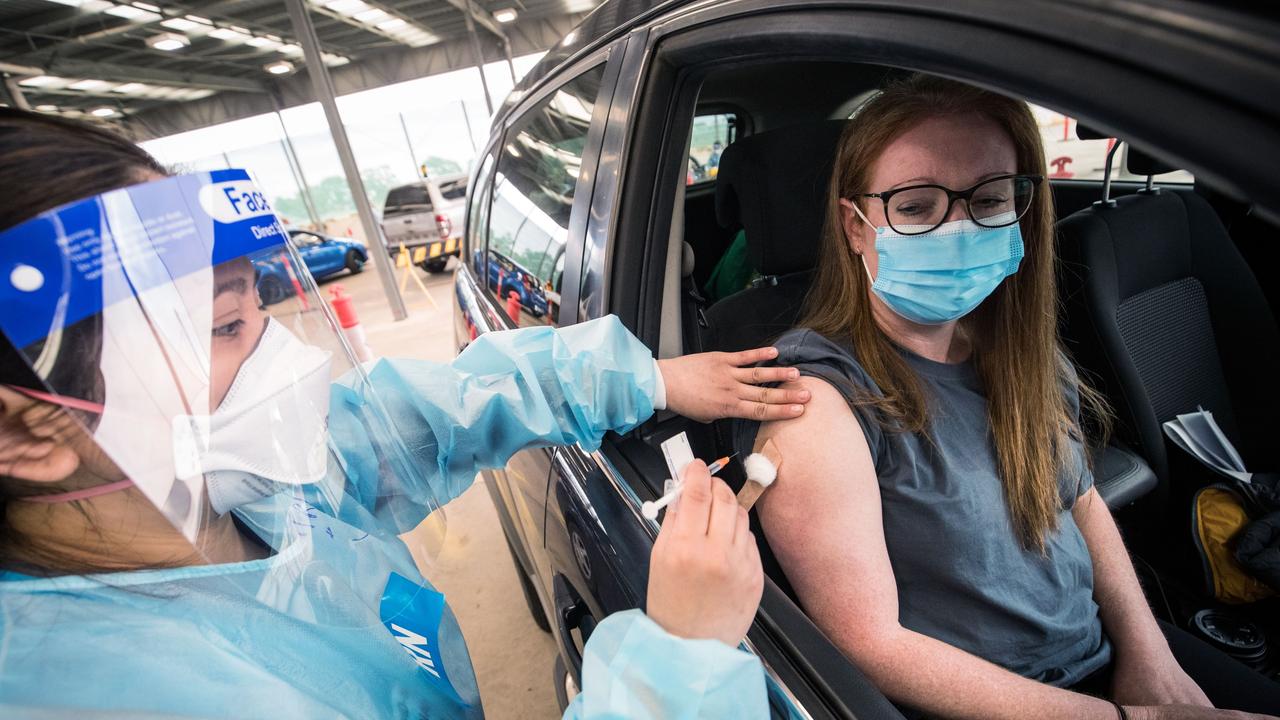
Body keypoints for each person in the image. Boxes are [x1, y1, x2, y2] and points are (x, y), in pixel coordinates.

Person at [0, 108, 795, 718]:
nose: (287, 363)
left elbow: (436, 413)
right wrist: (674, 669)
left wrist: (646, 377)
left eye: (255, 309)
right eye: (219, 329)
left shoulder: (254, 489)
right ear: (25, 432)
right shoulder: (103, 695)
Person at [736, 74, 1280, 720]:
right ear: (855, 227)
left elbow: (1079, 500)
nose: (959, 230)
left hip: (1098, 660)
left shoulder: (1018, 352)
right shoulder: (816, 405)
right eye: (915, 208)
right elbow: (872, 645)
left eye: (989, 200)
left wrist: (1150, 657)